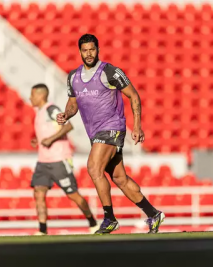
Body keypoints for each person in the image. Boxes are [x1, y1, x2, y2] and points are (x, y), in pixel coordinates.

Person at [56, 34, 165, 234]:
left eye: (92, 49)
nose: (89, 54)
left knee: (94, 168)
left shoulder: (110, 72)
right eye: (85, 50)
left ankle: (109, 218)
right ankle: (153, 214)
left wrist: (138, 125)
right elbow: (73, 104)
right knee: (119, 178)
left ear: (98, 49)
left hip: (112, 127)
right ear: (79, 51)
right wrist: (66, 115)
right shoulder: (73, 77)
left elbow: (133, 95)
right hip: (95, 133)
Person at [29, 83, 99, 235]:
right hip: (43, 161)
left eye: (32, 95)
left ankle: (93, 222)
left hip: (59, 159)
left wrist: (50, 139)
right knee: (38, 193)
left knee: (72, 194)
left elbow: (68, 126)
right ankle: (42, 230)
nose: (30, 98)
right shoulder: (39, 112)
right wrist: (39, 140)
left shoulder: (51, 109)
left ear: (40, 95)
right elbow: (49, 131)